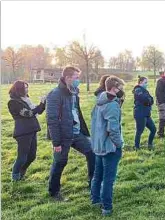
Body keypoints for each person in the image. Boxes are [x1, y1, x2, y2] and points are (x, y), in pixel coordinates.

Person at [46, 66, 95, 201]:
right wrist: (56, 142)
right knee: (60, 162)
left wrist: (84, 132)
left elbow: (77, 113)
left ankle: (93, 183)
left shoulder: (74, 93)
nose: (78, 80)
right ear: (67, 78)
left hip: (76, 133)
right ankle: (54, 192)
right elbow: (52, 120)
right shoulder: (55, 94)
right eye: (76, 77)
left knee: (92, 152)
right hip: (62, 136)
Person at [90, 76, 125, 216]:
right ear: (114, 88)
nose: (122, 91)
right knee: (108, 179)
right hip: (109, 147)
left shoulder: (99, 102)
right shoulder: (112, 105)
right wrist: (119, 144)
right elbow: (113, 129)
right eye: (121, 88)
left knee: (97, 176)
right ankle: (106, 207)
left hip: (98, 146)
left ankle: (95, 200)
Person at [8, 80, 46, 181]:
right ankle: (15, 177)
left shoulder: (26, 100)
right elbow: (28, 113)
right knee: (22, 157)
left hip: (32, 129)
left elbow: (38, 111)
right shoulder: (13, 102)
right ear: (19, 89)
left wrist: (43, 103)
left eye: (27, 87)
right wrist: (40, 104)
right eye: (25, 88)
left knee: (32, 156)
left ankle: (21, 173)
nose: (27, 90)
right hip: (23, 132)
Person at [133, 76, 156, 150]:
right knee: (139, 131)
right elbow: (144, 99)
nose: (147, 84)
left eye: (147, 82)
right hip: (140, 114)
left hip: (147, 114)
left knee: (153, 129)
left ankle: (150, 144)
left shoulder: (145, 90)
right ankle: (136, 147)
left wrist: (148, 101)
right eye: (145, 82)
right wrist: (148, 100)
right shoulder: (137, 90)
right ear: (140, 82)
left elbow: (151, 100)